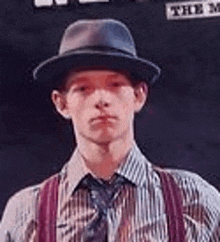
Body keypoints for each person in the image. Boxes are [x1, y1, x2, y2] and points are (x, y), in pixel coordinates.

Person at [0, 18, 220, 242]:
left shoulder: (194, 201)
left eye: (115, 85)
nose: (101, 99)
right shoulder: (27, 213)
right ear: (61, 103)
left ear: (139, 95)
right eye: (83, 88)